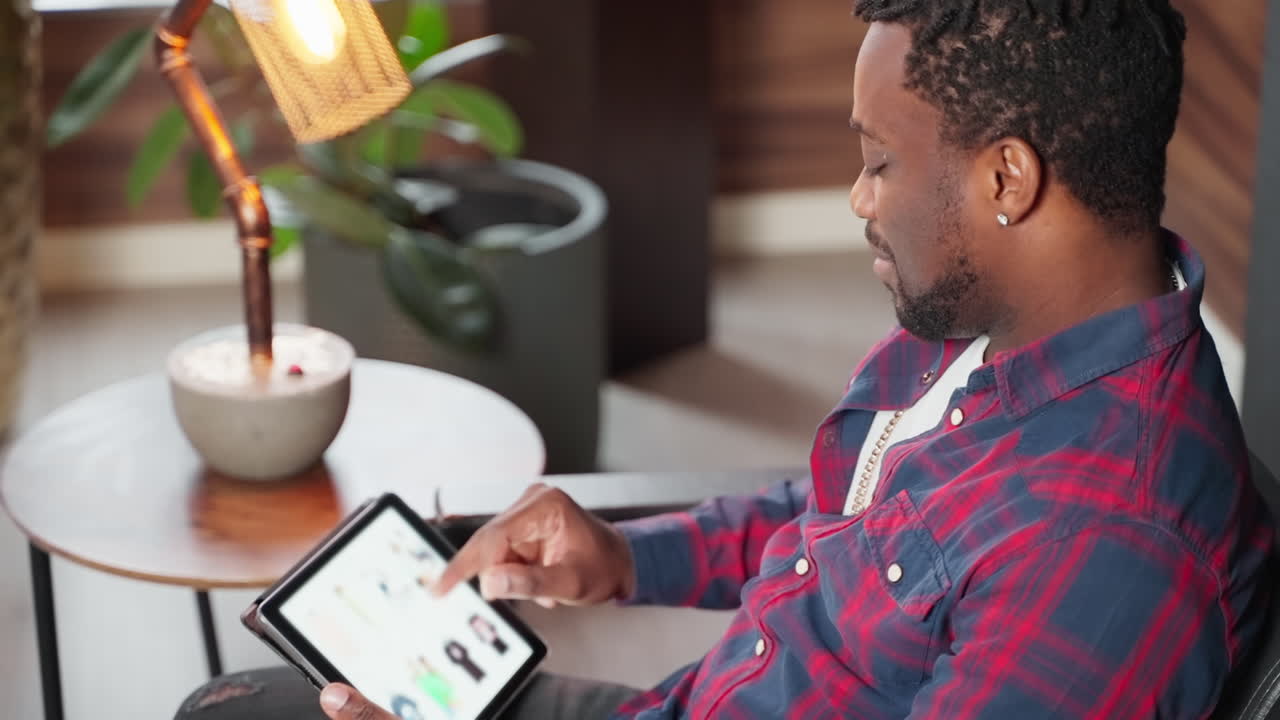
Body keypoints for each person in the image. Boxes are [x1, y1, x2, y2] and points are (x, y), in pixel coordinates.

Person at [176, 1, 1275, 718]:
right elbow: (840, 518)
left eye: (878, 160)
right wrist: (629, 556)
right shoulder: (994, 335)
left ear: (1005, 180)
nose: (857, 198)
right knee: (243, 702)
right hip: (704, 695)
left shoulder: (1104, 548)